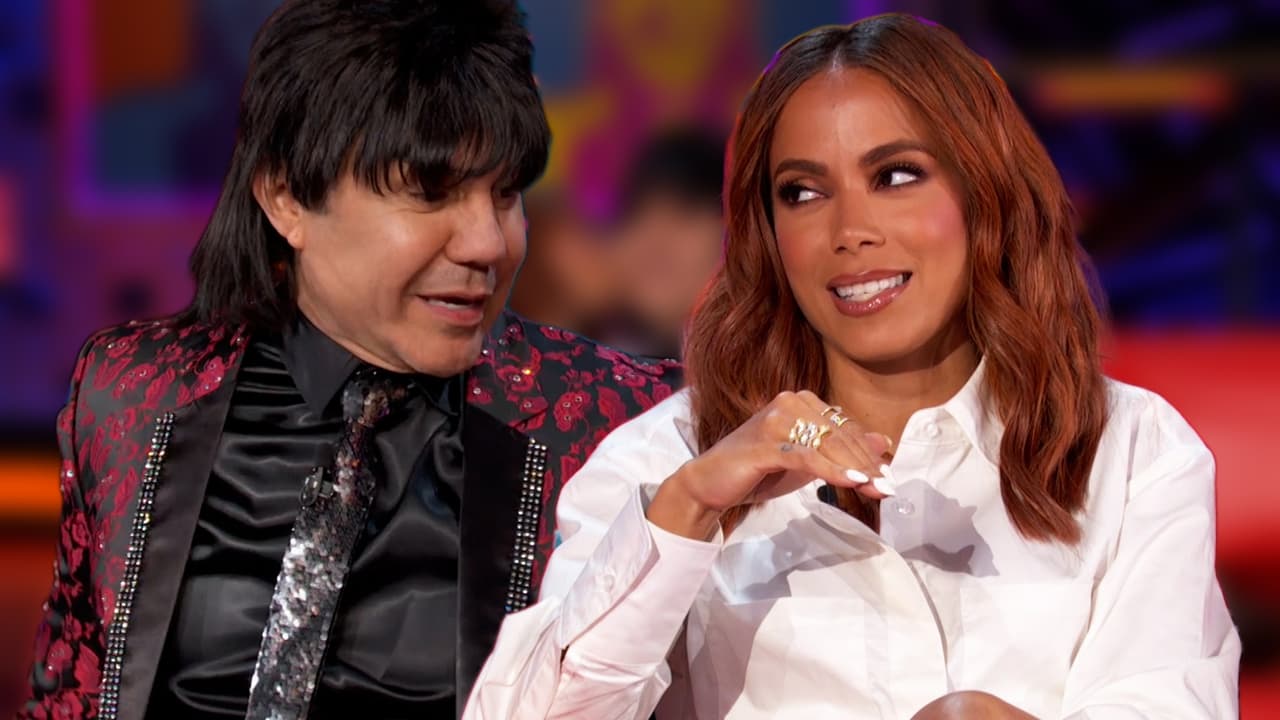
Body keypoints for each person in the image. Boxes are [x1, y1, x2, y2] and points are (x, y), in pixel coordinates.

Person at [461, 13, 1240, 720]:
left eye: (896, 176)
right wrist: (694, 507)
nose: (849, 231)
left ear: (986, 195)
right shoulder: (664, 460)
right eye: (802, 192)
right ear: (768, 234)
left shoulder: (1132, 451)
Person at [17, 2, 679, 719]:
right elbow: (69, 699)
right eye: (431, 193)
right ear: (286, 197)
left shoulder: (619, 421)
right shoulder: (133, 393)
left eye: (505, 193)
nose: (488, 243)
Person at [607, 126, 728, 358]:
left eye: (684, 214)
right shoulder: (578, 363)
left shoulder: (774, 368)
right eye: (638, 215)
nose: (655, 241)